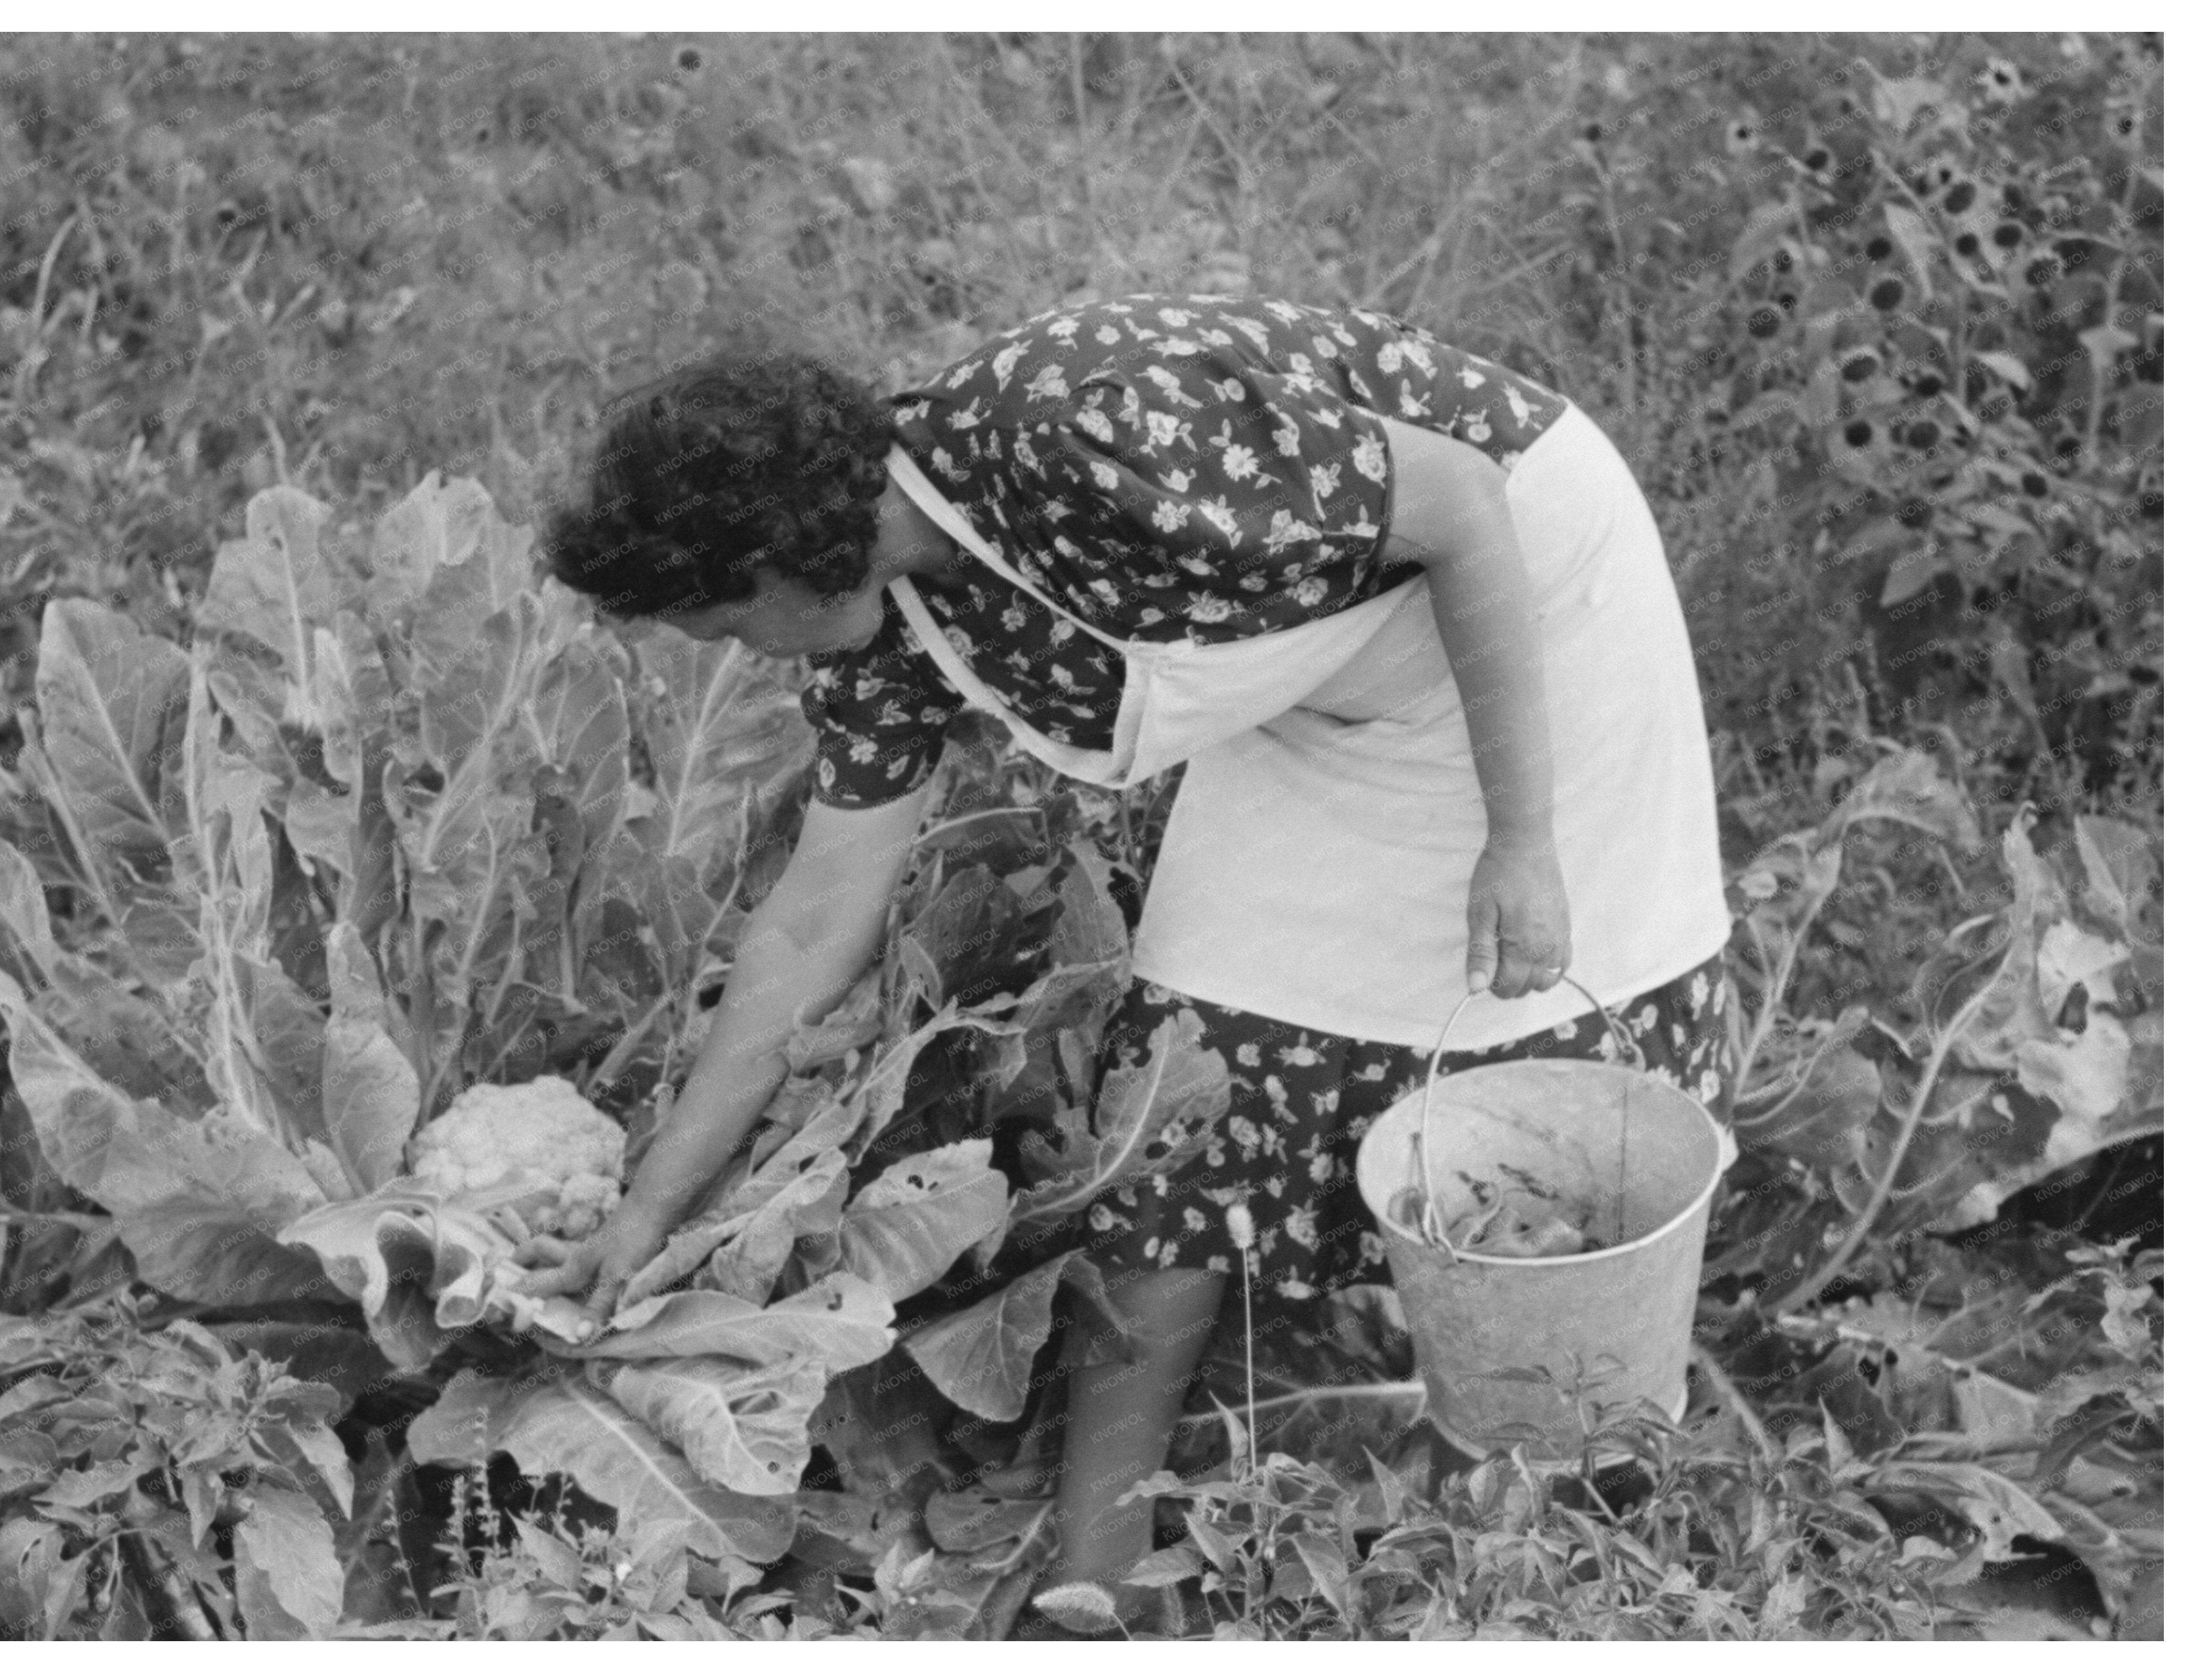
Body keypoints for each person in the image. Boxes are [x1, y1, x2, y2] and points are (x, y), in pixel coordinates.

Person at [531, 294, 1732, 1631]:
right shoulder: (881, 634)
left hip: (1521, 597)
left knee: (1524, 1100)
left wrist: (1521, 838)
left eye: (724, 624)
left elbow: (1453, 505)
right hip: (1318, 690)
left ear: (778, 554)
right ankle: (1094, 1587)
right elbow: (815, 919)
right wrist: (647, 1214)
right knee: (1183, 1094)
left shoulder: (1082, 427)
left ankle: (1527, 1565)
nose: (738, 655)